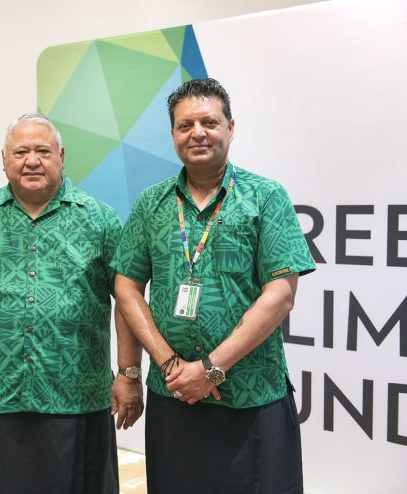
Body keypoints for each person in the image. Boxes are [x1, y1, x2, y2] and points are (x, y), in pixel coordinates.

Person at [112, 78, 316, 494]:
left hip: (252, 396)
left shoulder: (265, 197)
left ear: (230, 127)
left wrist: (211, 369)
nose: (197, 133)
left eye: (209, 121)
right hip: (174, 397)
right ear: (172, 134)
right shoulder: (151, 203)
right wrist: (166, 366)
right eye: (185, 125)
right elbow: (126, 288)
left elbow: (280, 295)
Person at [0, 113, 144, 494]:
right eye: (21, 151)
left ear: (61, 156)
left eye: (43, 151)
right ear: (4, 159)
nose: (32, 160)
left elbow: (126, 299)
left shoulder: (100, 220)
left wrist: (129, 375)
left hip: (75, 395)